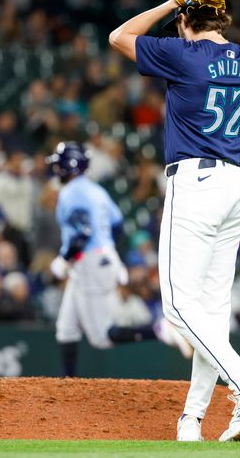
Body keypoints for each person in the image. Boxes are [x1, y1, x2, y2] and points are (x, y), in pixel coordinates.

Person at [108, 0, 240, 443]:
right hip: (235, 185)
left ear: (186, 16)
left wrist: (171, 2)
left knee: (178, 308)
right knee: (210, 311)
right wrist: (191, 6)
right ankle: (192, 421)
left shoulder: (185, 55)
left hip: (196, 182)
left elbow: (120, 35)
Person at [47, 142, 192, 376]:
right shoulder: (97, 190)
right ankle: (67, 382)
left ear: (67, 167)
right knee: (66, 327)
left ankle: (160, 330)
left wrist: (64, 259)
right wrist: (106, 250)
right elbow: (117, 225)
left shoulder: (70, 192)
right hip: (99, 258)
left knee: (102, 337)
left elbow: (82, 233)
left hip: (88, 261)